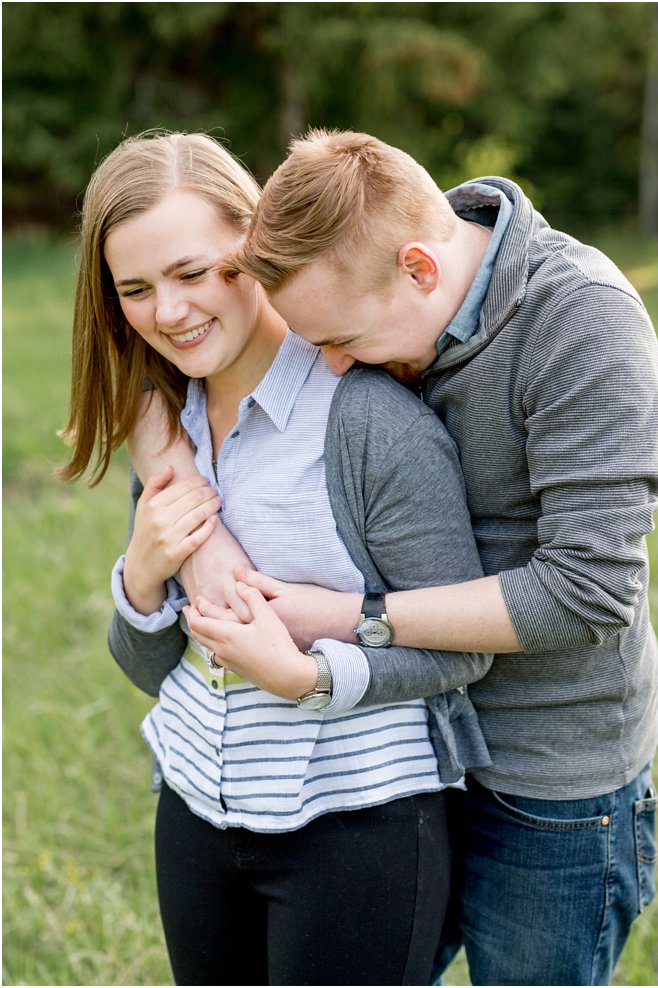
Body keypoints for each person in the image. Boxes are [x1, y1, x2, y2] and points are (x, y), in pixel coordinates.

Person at [124, 129, 658, 986]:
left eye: (343, 340)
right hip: (412, 754)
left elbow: (590, 592)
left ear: (420, 269)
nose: (333, 365)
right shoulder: (372, 264)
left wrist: (343, 622)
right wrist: (167, 460)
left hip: (545, 779)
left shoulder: (578, 319)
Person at [59, 131, 494, 985]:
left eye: (193, 274)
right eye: (136, 290)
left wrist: (314, 672)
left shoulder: (365, 420)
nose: (170, 313)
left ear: (254, 248)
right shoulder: (167, 422)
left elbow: (463, 648)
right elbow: (158, 667)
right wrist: (142, 578)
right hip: (193, 809)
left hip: (355, 826)